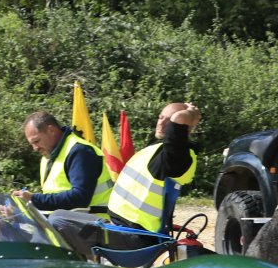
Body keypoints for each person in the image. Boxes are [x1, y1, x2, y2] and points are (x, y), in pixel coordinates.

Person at [52, 102, 201, 258]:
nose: (161, 123)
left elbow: (179, 122)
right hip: (117, 229)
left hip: (132, 238)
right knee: (56, 216)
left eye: (168, 120)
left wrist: (191, 113)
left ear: (185, 127)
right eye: (160, 117)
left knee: (58, 224)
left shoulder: (179, 159)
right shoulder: (156, 150)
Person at [10, 111, 105, 213]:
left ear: (51, 130)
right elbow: (50, 203)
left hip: (95, 220)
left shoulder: (80, 152)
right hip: (64, 220)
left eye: (36, 141)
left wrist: (34, 199)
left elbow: (80, 198)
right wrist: (17, 211)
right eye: (32, 144)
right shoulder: (47, 158)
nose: (35, 148)